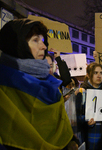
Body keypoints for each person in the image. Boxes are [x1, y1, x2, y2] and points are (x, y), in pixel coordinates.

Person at [0, 19, 78, 150]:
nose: (44, 46)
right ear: (18, 44)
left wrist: (70, 141)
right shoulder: (4, 83)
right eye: (35, 40)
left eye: (42, 40)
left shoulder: (49, 82)